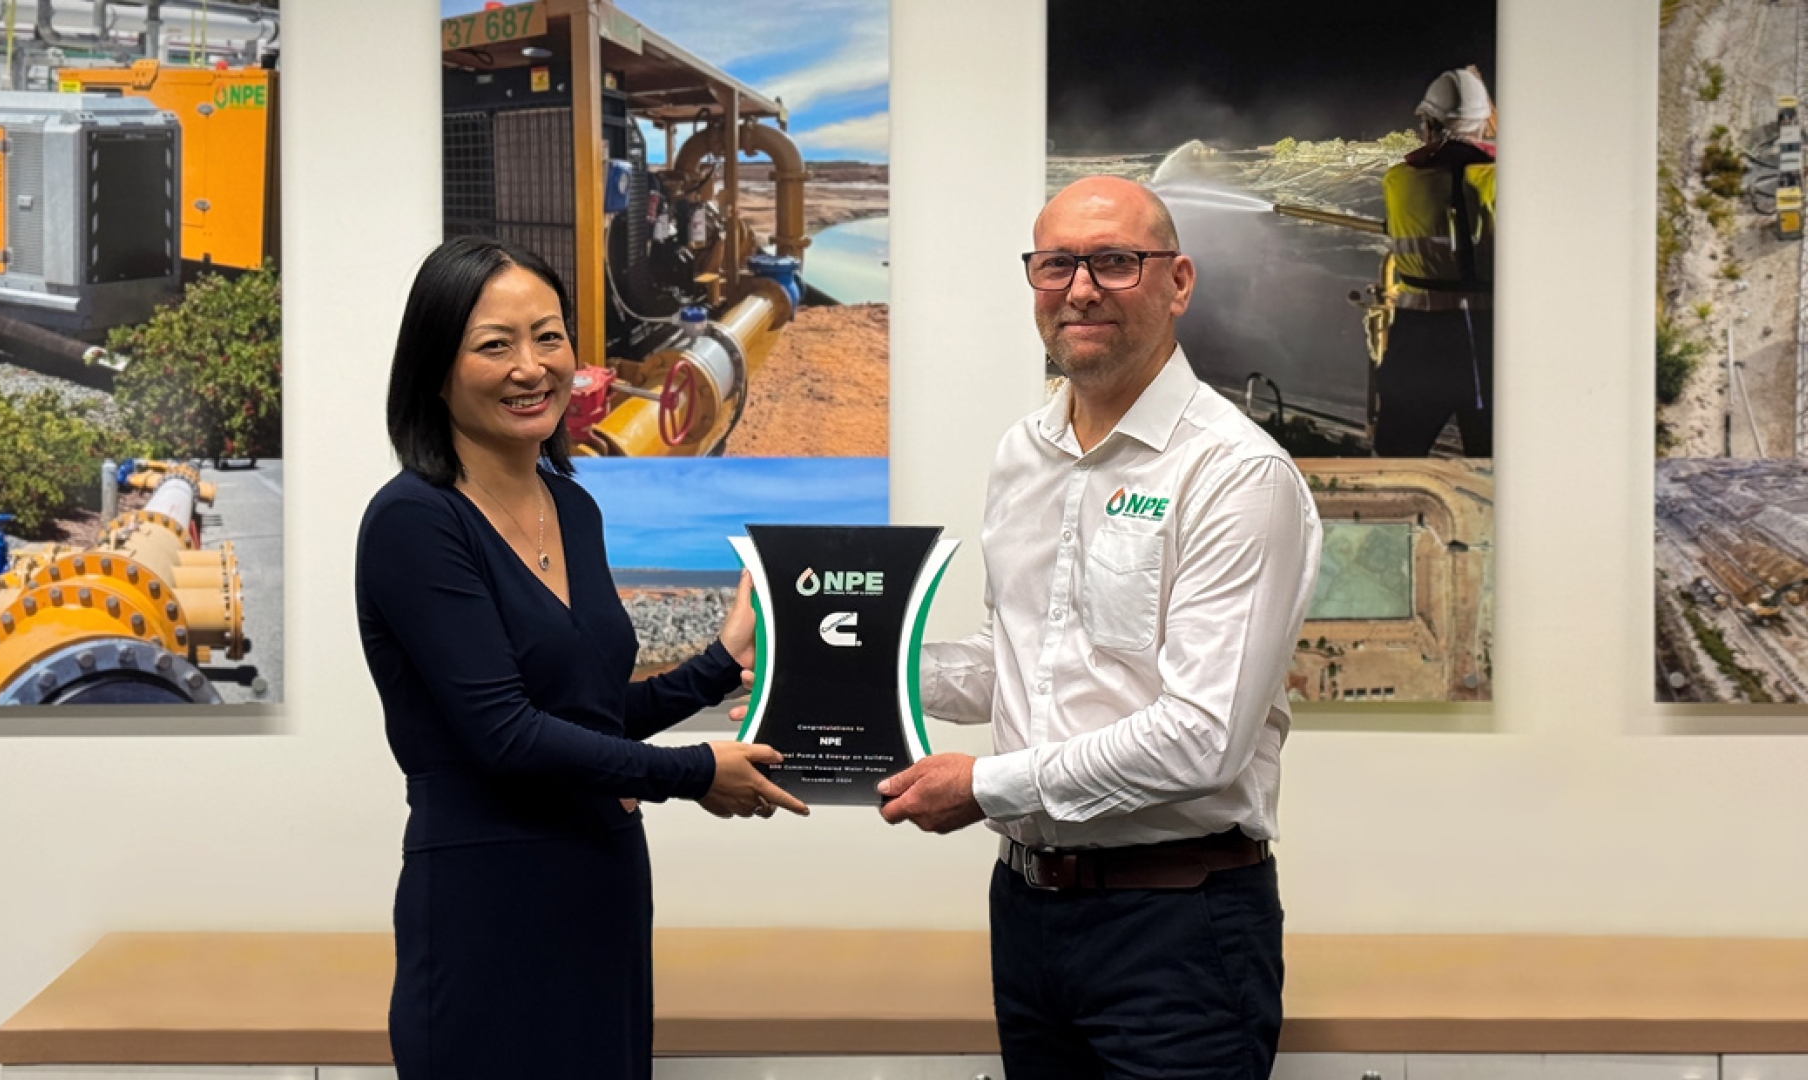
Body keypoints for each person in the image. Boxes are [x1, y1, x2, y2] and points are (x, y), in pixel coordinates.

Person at [878, 177, 1321, 1078]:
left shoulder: (1237, 474)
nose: (1081, 288)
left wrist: (990, 785)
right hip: (1029, 916)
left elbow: (1203, 739)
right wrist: (821, 666)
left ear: (1179, 281)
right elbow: (1020, 666)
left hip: (1179, 929)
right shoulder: (1022, 456)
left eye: (1115, 262)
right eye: (1056, 264)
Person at [356, 234, 807, 1080]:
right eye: (495, 344)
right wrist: (691, 772)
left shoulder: (571, 506)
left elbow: (586, 711)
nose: (532, 367)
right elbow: (506, 735)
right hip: (488, 896)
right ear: (436, 366)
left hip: (600, 882)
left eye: (550, 336)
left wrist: (719, 663)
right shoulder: (414, 522)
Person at [1373, 65, 1497, 457]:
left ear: (1429, 123)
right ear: (1484, 124)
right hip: (1491, 340)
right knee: (1494, 459)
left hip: (1421, 343)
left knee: (1398, 457)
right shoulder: (1504, 179)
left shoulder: (1399, 182)